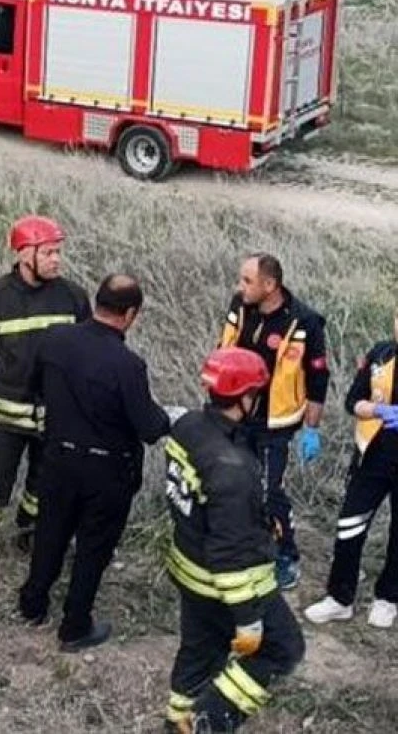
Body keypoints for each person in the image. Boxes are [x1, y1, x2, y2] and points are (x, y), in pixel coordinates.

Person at [16, 274, 173, 651]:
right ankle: (74, 626)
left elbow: (34, 386)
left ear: (96, 302)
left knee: (50, 532)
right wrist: (170, 417)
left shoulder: (55, 340)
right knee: (93, 547)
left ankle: (33, 603)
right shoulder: (127, 365)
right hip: (105, 471)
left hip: (56, 459)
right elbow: (149, 428)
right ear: (131, 314)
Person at [161, 347, 305, 733]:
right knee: (283, 648)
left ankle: (179, 719)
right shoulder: (233, 470)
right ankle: (211, 719)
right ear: (244, 397)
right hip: (226, 584)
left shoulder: (189, 426)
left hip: (188, 565)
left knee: (200, 650)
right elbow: (231, 554)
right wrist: (248, 620)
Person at [0, 215, 91, 570]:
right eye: (49, 253)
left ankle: (29, 533)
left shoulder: (73, 297)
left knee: (44, 482)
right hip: (5, 418)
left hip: (56, 417)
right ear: (24, 254)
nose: (57, 259)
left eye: (59, 252)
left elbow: (88, 354)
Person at [216, 253, 330, 590]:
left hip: (275, 422)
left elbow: (318, 376)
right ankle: (244, 546)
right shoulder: (241, 304)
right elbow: (225, 345)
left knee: (268, 491)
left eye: (247, 281)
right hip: (235, 414)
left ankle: (285, 554)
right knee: (236, 484)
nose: (241, 287)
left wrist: (312, 428)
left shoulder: (304, 321)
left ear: (271, 285)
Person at [303, 308, 398, 629]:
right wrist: (375, 409)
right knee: (349, 527)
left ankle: (388, 598)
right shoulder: (381, 354)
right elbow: (352, 400)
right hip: (372, 457)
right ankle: (339, 597)